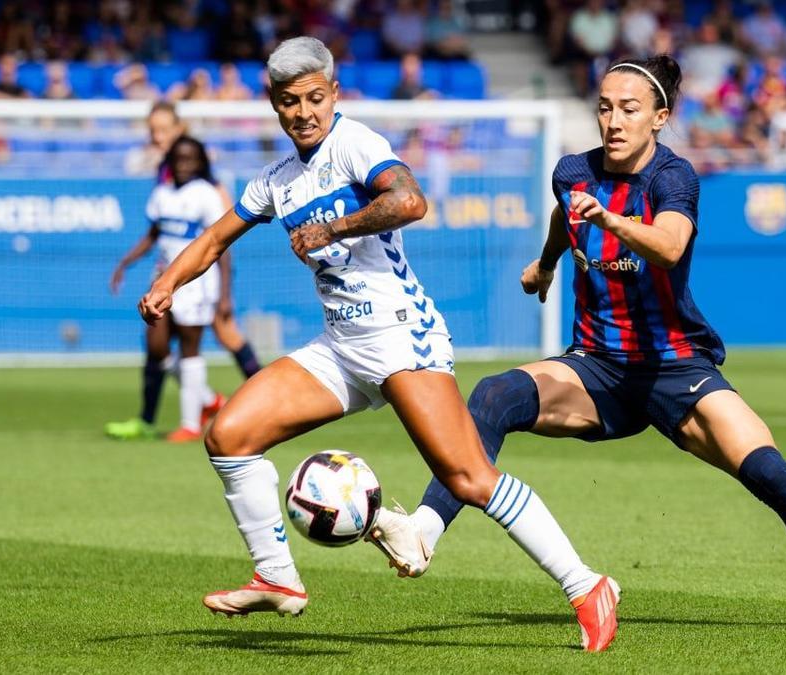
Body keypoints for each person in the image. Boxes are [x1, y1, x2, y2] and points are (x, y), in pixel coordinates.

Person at [378, 54, 786, 631]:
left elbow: (669, 246)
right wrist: (547, 264)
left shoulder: (673, 177)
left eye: (629, 110)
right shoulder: (573, 171)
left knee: (767, 472)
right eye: (605, 108)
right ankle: (423, 533)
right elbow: (567, 214)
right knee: (493, 395)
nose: (613, 121)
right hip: (597, 370)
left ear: (659, 117)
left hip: (676, 368)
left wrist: (609, 221)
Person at [136, 37, 620, 653]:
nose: (304, 111)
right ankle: (278, 577)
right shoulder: (276, 180)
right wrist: (167, 283)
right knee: (229, 436)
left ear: (334, 94)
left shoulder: (355, 144)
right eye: (290, 102)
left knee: (470, 477)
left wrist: (333, 226)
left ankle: (587, 586)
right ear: (275, 107)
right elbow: (213, 239)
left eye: (315, 97)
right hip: (340, 345)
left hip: (399, 335)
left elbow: (410, 201)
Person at [123, 101, 263, 382]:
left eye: (162, 130)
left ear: (178, 128)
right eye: (152, 130)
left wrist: (224, 288)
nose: (156, 137)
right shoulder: (166, 169)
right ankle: (195, 403)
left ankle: (265, 393)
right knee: (158, 340)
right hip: (177, 267)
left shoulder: (200, 175)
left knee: (223, 331)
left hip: (205, 267)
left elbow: (222, 231)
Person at [107, 136, 228, 442]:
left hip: (198, 282)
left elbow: (221, 244)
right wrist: (126, 262)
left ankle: (189, 424)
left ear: (201, 162)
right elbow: (153, 235)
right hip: (163, 279)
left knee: (190, 349)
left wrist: (225, 293)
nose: (184, 164)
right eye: (178, 159)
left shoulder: (206, 194)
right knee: (157, 348)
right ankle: (208, 399)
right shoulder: (161, 194)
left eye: (190, 159)